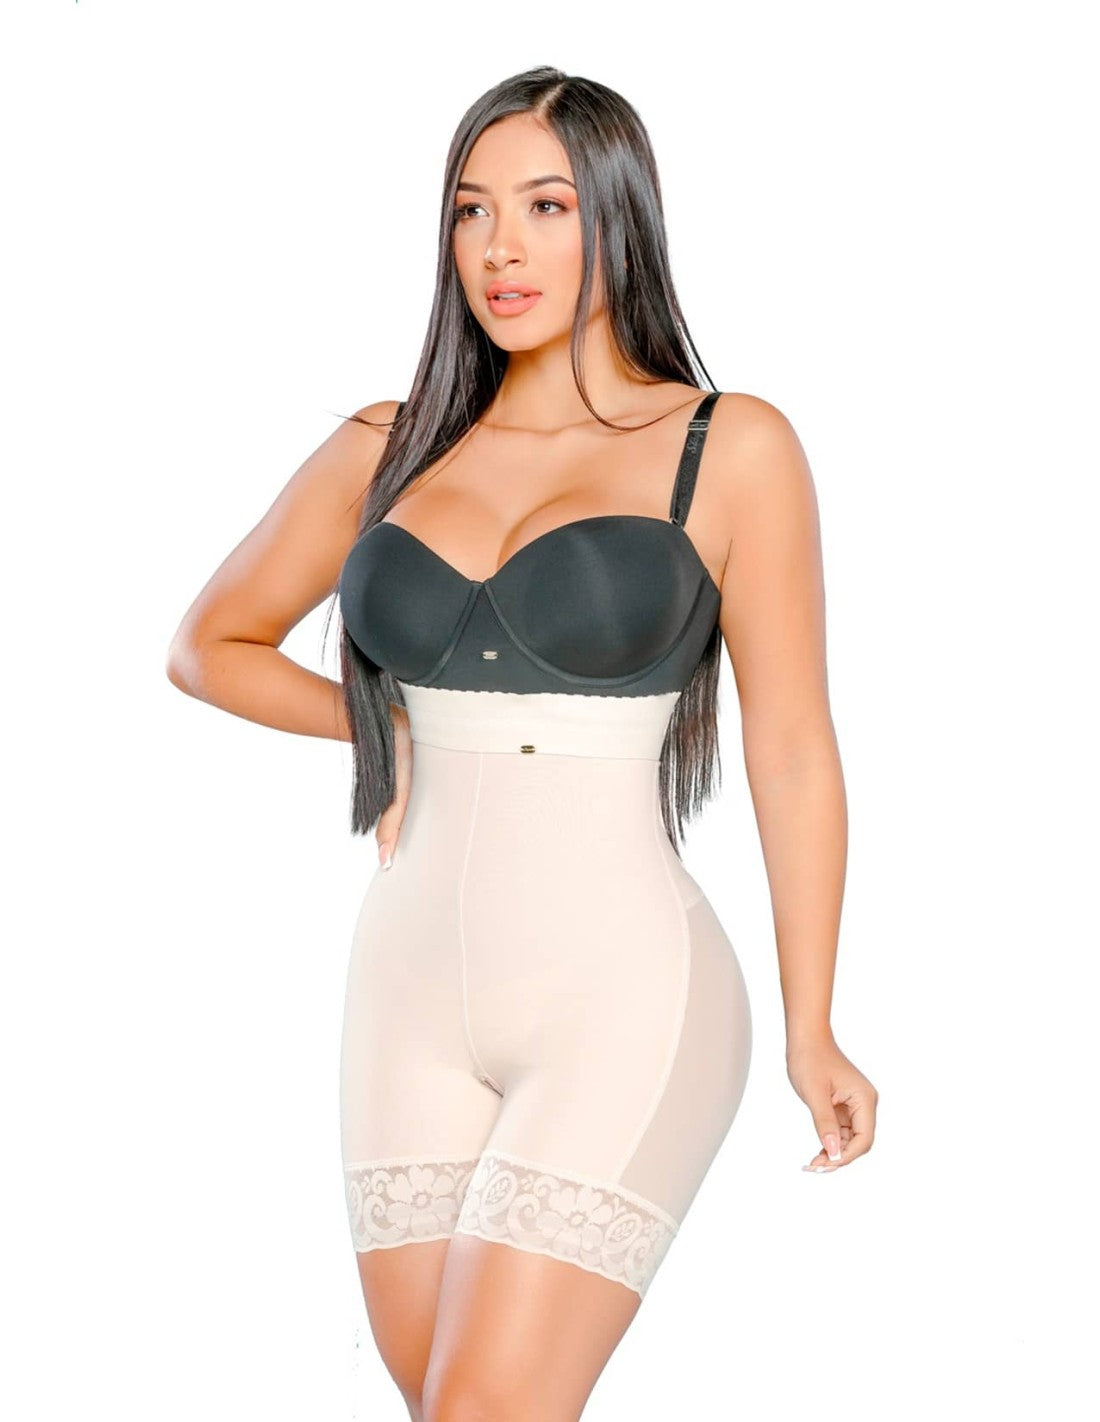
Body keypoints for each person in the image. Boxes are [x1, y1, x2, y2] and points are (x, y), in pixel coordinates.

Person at [167, 65, 878, 1422]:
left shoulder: (728, 445)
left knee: (485, 1404)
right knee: (443, 1403)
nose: (502, 247)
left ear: (618, 213)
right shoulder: (388, 444)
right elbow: (209, 644)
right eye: (471, 209)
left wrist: (815, 1027)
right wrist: (376, 725)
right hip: (405, 990)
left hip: (625, 989)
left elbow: (792, 748)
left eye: (546, 206)